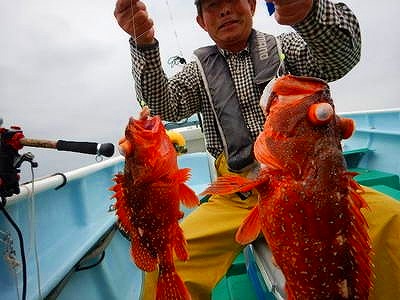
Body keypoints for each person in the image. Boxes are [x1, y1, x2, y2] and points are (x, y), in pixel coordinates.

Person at [114, 0, 400, 299]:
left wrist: (309, 12)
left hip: (311, 185)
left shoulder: (286, 47)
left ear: (251, 5)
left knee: (393, 223)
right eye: (213, 5)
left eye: (232, 1)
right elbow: (164, 105)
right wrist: (143, 43)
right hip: (237, 194)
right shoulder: (197, 72)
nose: (224, 10)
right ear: (201, 21)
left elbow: (338, 58)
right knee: (165, 265)